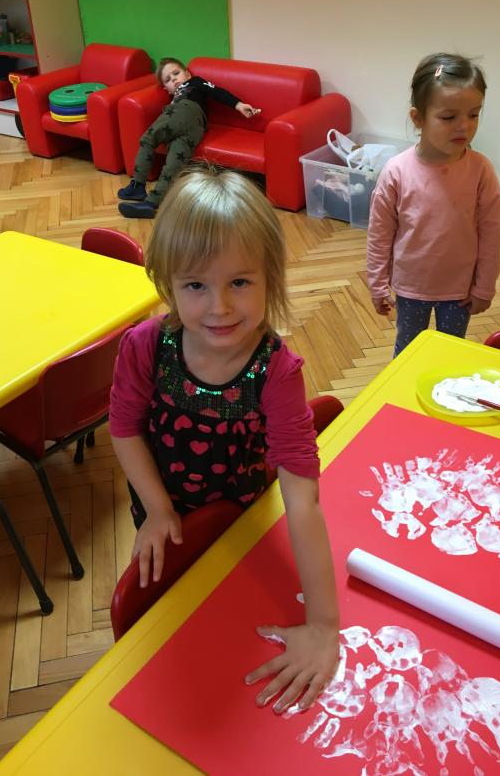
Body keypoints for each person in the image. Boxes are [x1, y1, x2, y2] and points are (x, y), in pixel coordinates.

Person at [110, 165, 339, 712]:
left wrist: (324, 625)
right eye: (196, 285)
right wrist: (158, 509)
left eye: (240, 282)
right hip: (162, 505)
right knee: (173, 614)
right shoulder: (145, 346)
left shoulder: (276, 372)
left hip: (242, 514)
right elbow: (124, 427)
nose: (220, 307)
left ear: (270, 279)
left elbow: (302, 500)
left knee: (230, 614)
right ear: (167, 283)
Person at [367, 52, 500, 357]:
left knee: (449, 354)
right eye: (449, 117)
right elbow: (379, 235)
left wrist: (484, 287)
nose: (464, 126)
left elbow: (492, 234)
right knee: (408, 353)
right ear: (418, 118)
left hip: (459, 290)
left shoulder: (481, 170)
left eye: (474, 114)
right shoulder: (397, 171)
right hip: (411, 287)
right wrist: (377, 284)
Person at [118, 58, 260, 219]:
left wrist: (239, 105)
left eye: (176, 73)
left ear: (187, 74)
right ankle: (151, 203)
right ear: (166, 89)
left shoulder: (195, 82)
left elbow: (217, 92)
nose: (174, 79)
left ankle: (137, 185)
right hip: (196, 128)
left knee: (148, 139)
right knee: (174, 164)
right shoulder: (174, 97)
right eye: (168, 80)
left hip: (185, 111)